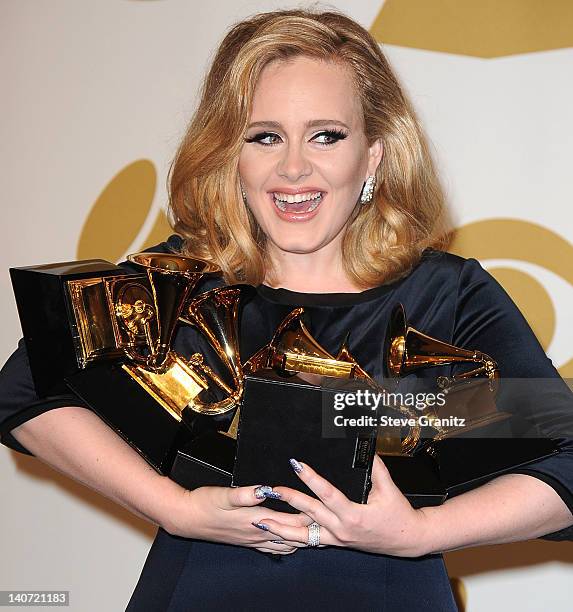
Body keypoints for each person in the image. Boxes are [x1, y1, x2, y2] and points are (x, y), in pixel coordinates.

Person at [1, 9, 573, 611]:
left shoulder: (444, 296)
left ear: (373, 155)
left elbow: (566, 462)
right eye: (265, 136)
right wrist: (172, 507)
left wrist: (419, 533)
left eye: (326, 134)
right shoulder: (184, 282)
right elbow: (28, 388)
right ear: (232, 155)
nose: (293, 167)